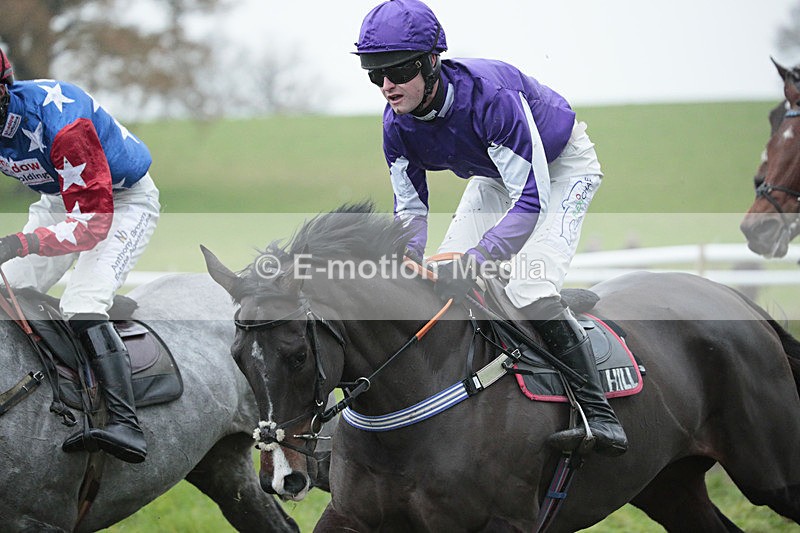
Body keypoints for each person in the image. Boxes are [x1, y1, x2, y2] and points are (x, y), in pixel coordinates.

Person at [355, 0, 627, 456]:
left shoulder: (490, 98)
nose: (386, 86)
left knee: (527, 286)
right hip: (496, 175)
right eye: (374, 74)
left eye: (398, 71)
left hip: (561, 169)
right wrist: (406, 258)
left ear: (430, 62)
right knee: (440, 275)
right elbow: (411, 210)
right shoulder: (395, 124)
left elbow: (532, 199)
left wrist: (479, 259)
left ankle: (599, 414)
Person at [0, 47, 159, 463]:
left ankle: (126, 424)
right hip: (59, 199)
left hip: (118, 203)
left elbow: (91, 225)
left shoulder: (64, 126)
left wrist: (19, 243)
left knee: (82, 302)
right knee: (8, 288)